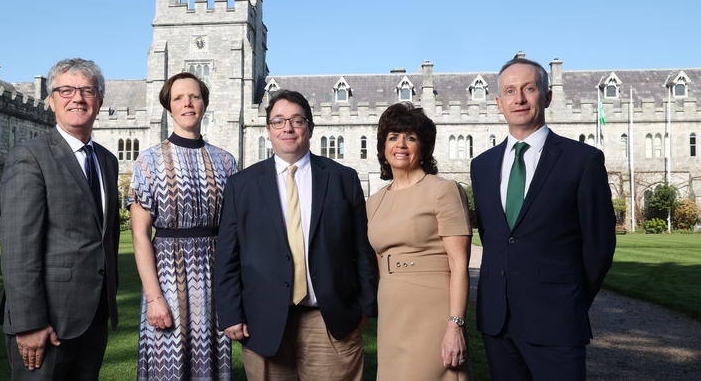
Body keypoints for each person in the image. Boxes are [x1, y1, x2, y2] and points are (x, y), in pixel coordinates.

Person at [215, 89, 379, 380]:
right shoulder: (242, 185)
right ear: (268, 130)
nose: (287, 128)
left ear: (310, 128)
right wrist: (230, 313)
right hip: (262, 320)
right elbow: (228, 256)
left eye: (296, 120)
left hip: (329, 319)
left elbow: (362, 250)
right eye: (278, 121)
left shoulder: (344, 179)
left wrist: (364, 307)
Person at [470, 57, 616, 380]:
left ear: (547, 96)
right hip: (497, 324)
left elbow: (600, 245)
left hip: (557, 321)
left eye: (529, 89)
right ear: (498, 103)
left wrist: (568, 299)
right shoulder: (481, 166)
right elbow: (493, 237)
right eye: (509, 91)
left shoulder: (583, 160)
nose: (518, 99)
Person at [0, 58, 120, 380]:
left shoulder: (107, 161)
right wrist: (29, 322)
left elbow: (105, 237)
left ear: (100, 101)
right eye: (65, 90)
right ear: (51, 101)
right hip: (45, 322)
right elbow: (18, 248)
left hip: (93, 318)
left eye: (87, 91)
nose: (77, 98)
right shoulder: (30, 156)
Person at [128, 72, 237, 380]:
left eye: (194, 96)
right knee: (168, 365)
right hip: (167, 280)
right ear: (169, 106)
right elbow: (139, 234)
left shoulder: (226, 162)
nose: (187, 103)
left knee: (211, 363)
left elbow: (234, 232)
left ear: (204, 104)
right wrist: (154, 297)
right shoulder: (149, 161)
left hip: (214, 280)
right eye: (178, 98)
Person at [366, 102, 473, 380]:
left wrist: (456, 324)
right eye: (393, 137)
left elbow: (460, 264)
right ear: (383, 148)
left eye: (410, 137)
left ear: (423, 147)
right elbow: (381, 264)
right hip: (391, 311)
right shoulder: (374, 202)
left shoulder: (444, 191)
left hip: (432, 311)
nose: (401, 144)